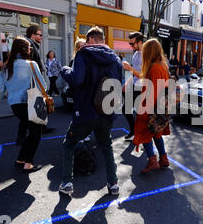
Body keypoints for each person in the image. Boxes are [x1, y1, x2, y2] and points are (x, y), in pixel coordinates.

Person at [59, 26, 123, 196]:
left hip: (86, 111)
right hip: (106, 110)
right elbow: (119, 86)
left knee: (69, 143)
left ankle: (67, 182)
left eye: (87, 41)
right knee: (106, 146)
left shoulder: (83, 54)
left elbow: (76, 79)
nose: (86, 44)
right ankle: (113, 184)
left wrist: (64, 70)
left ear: (91, 39)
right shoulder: (115, 59)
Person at [0, 37, 46, 172]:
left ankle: (20, 160)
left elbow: (0, 90)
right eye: (29, 48)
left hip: (15, 106)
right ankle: (28, 164)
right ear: (26, 50)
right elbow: (42, 85)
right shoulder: (31, 64)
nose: (31, 50)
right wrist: (44, 94)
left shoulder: (7, 67)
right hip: (29, 103)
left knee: (32, 132)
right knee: (36, 133)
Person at [132, 38, 171, 174]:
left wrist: (143, 111)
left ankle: (152, 160)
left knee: (144, 134)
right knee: (157, 134)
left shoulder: (154, 68)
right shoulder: (162, 66)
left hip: (151, 108)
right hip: (160, 107)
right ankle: (164, 159)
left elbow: (152, 92)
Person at [122, 32, 144, 140]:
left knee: (142, 115)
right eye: (129, 43)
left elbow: (143, 76)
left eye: (132, 43)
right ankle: (134, 131)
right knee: (125, 109)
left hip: (143, 88)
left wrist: (130, 68)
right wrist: (127, 82)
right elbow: (134, 73)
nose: (131, 46)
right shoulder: (135, 54)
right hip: (134, 85)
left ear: (140, 42)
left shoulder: (146, 55)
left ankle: (146, 138)